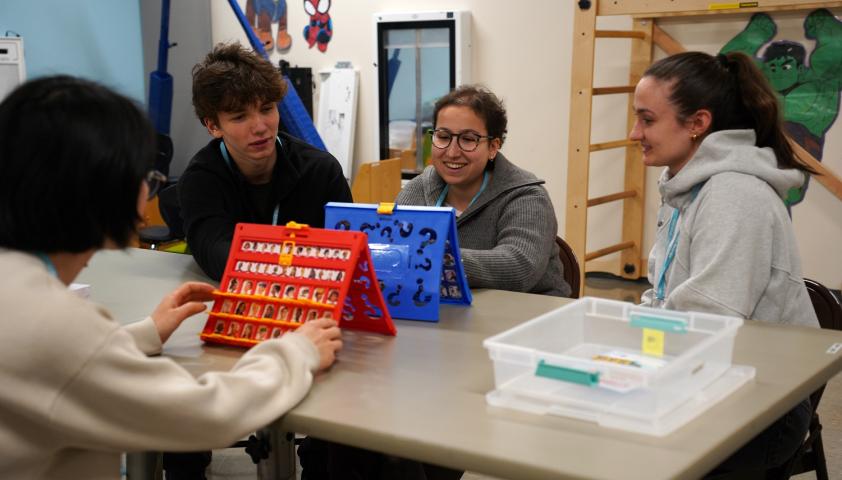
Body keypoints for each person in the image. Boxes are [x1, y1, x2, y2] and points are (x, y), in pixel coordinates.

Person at [0, 75, 343, 479]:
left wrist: (141, 333)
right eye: (146, 178)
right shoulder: (58, 326)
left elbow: (55, 367)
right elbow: (206, 414)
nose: (148, 195)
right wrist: (296, 352)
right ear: (100, 190)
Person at [630, 51, 819, 473]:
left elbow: (708, 317)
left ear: (697, 123)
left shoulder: (733, 195)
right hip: (709, 376)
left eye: (647, 119)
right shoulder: (687, 187)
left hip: (763, 406)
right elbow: (663, 296)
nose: (633, 133)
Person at [179, 42, 352, 281]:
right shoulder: (201, 180)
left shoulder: (322, 171)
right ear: (213, 126)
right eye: (240, 116)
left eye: (267, 109)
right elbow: (215, 255)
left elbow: (348, 254)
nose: (260, 127)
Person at [396, 85, 570, 297]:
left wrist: (435, 258)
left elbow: (519, 267)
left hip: (528, 317)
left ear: (493, 147)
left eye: (468, 140)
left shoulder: (527, 197)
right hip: (447, 314)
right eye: (443, 137)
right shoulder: (417, 189)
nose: (452, 152)